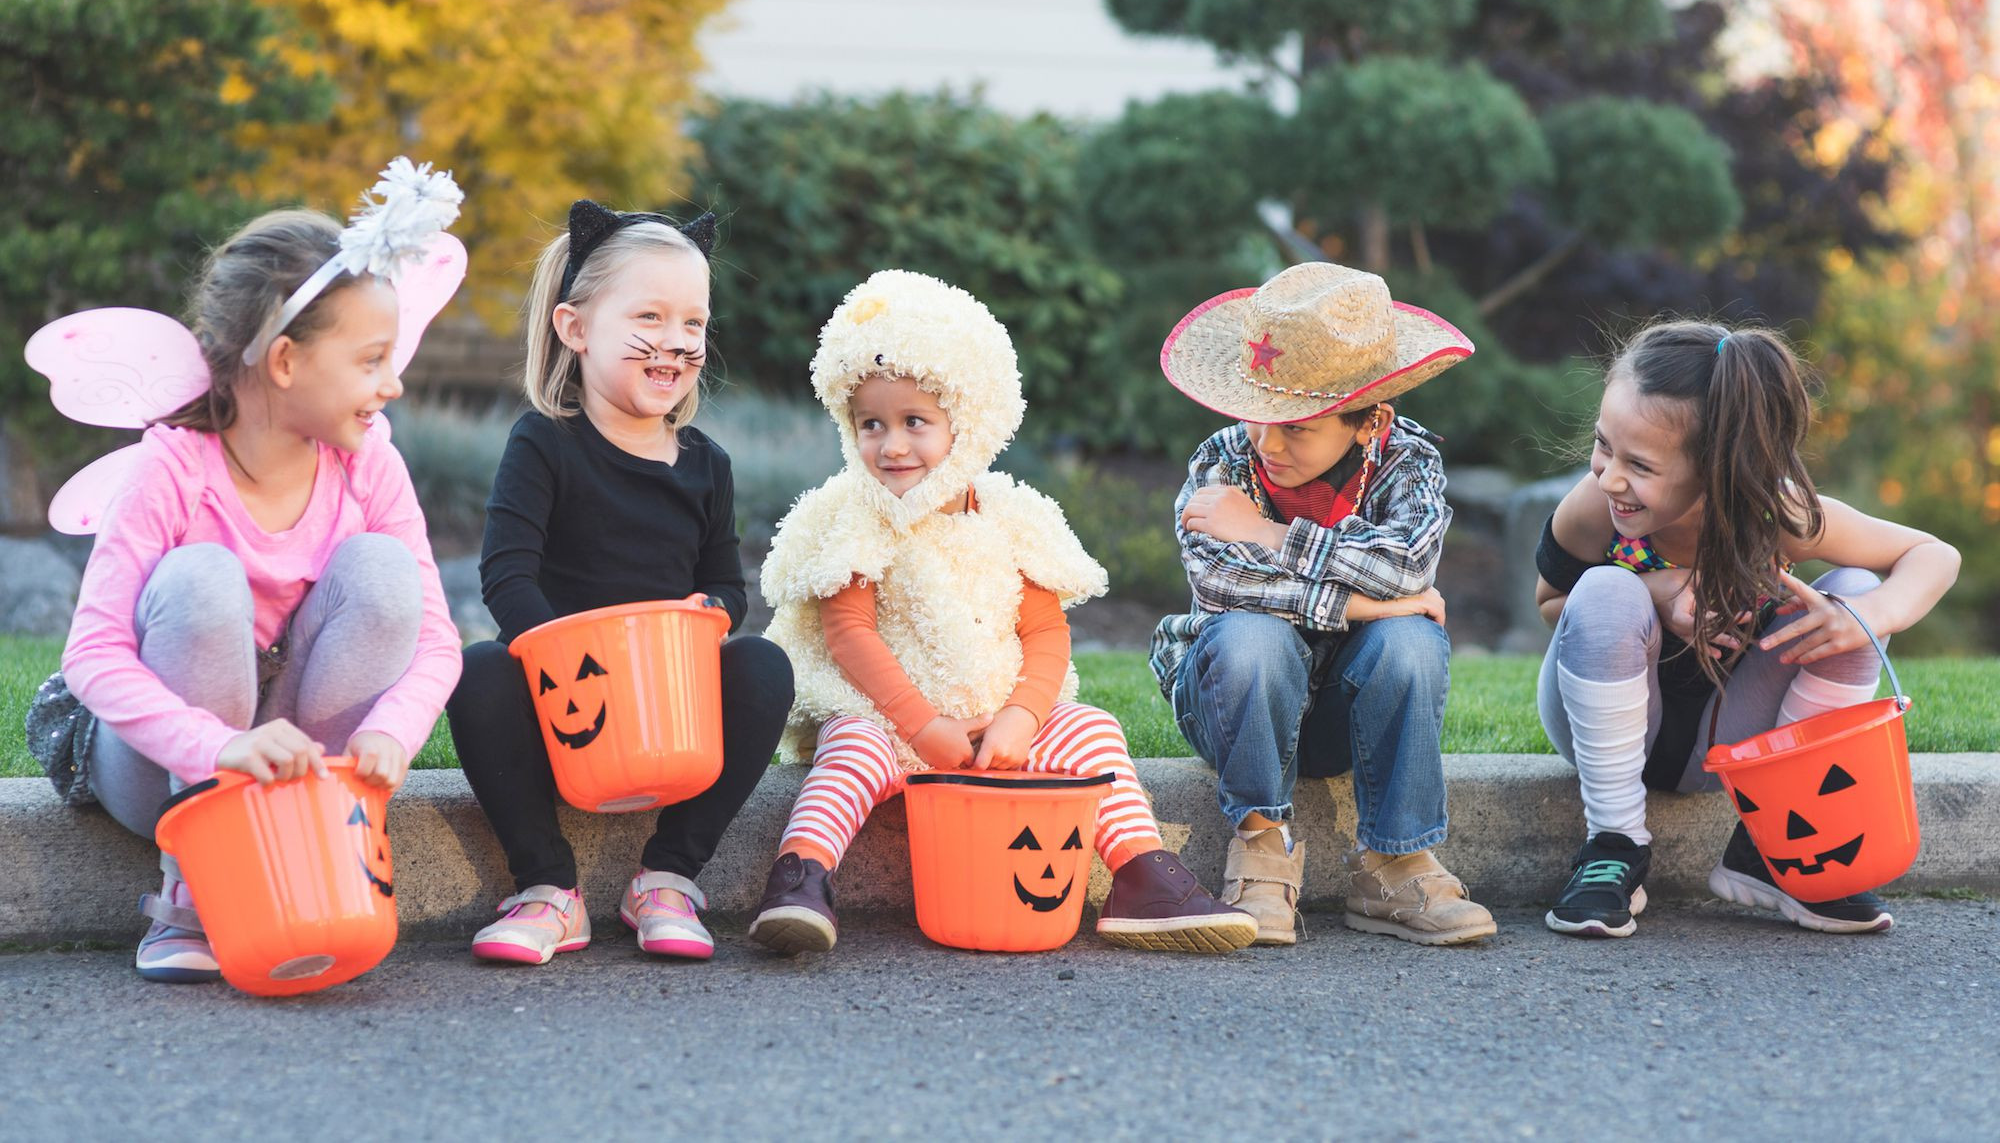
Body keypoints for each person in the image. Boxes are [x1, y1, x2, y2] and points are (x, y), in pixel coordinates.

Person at [747, 270, 1255, 955]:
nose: (891, 445)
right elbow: (849, 633)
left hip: (999, 730)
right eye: (871, 424)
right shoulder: (859, 515)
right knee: (850, 750)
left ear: (969, 423)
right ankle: (802, 874)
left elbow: (1046, 631)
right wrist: (922, 724)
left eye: (914, 422)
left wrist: (1020, 716)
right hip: (893, 720)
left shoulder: (1011, 516)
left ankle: (1139, 872)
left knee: (1092, 730)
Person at [53, 165, 467, 982]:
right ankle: (191, 891)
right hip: (167, 765)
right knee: (204, 578)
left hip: (296, 756)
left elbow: (439, 640)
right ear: (284, 361)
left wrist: (393, 729)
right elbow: (91, 655)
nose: (395, 382)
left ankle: (314, 842)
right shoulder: (171, 468)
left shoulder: (369, 462)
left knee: (386, 574)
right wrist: (221, 747)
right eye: (372, 358)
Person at [446, 200, 793, 965]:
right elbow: (506, 572)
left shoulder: (708, 465)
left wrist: (712, 610)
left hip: (667, 704)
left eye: (694, 324)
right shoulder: (545, 442)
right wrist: (562, 659)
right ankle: (548, 887)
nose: (676, 340)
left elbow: (725, 587)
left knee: (763, 665)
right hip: (561, 703)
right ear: (576, 328)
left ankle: (667, 877)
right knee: (474, 669)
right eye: (650, 316)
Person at [1535, 321, 1958, 937]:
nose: (1609, 476)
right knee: (1603, 588)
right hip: (1609, 727)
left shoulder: (1774, 513)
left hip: (1730, 737)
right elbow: (1553, 604)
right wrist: (1653, 590)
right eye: (1604, 446)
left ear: (1717, 469)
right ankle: (1613, 847)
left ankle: (1774, 846)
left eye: (1640, 465)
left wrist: (1868, 620)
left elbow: (1933, 554)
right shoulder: (1596, 504)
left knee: (1856, 596)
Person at [1153, 261, 1495, 946]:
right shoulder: (1222, 461)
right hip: (1233, 699)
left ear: (1369, 421)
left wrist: (1266, 532)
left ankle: (1395, 863)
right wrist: (1367, 606)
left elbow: (1407, 564)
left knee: (1412, 644)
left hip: (1345, 710)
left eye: (1298, 427)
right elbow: (1225, 584)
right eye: (1260, 411)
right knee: (1253, 636)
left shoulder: (1407, 462)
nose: (1268, 441)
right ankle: (1260, 848)